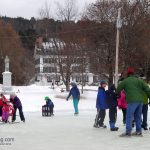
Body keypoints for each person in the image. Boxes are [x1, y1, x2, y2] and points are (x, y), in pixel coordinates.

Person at [117, 67, 150, 137]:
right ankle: (138, 131)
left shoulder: (126, 81)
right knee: (138, 116)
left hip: (132, 101)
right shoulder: (139, 80)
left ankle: (128, 132)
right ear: (133, 73)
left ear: (128, 74)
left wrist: (117, 94)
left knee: (129, 116)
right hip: (140, 101)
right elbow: (147, 88)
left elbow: (118, 88)